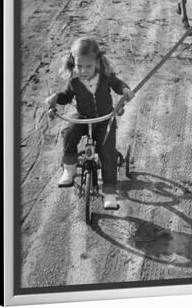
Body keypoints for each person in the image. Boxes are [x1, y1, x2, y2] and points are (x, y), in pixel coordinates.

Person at [46, 37, 134, 210]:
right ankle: (69, 169)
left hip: (104, 119)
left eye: (88, 66)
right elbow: (65, 96)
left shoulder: (106, 76)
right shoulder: (74, 82)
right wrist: (55, 98)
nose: (84, 71)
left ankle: (109, 193)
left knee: (107, 153)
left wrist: (125, 90)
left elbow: (117, 84)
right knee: (69, 132)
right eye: (79, 66)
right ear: (73, 63)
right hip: (84, 117)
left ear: (97, 63)